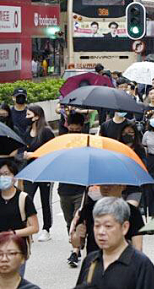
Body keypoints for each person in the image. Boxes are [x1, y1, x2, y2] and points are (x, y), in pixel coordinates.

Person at [75, 197, 154, 289]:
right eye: (97, 225)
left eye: (108, 226)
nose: (101, 232)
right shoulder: (90, 260)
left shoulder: (141, 265)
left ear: (124, 227)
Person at [71, 184, 145, 255]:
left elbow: (138, 247)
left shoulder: (131, 212)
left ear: (122, 186)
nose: (105, 187)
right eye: (102, 184)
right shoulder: (89, 209)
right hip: (95, 263)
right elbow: (76, 244)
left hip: (122, 263)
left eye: (111, 184)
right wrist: (77, 234)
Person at [58, 114, 88, 267]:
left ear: (82, 128)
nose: (74, 131)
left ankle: (74, 251)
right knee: (69, 221)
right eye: (71, 129)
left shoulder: (87, 142)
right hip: (64, 189)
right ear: (67, 126)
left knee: (76, 221)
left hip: (81, 190)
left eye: (77, 129)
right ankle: (77, 245)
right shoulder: (62, 142)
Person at [21, 105, 54, 243]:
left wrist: (34, 154)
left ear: (37, 116)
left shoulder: (46, 132)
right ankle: (28, 228)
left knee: (45, 201)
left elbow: (52, 150)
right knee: (27, 199)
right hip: (30, 171)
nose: (26, 117)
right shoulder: (27, 131)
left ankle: (46, 229)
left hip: (45, 171)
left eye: (29, 114)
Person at [0, 160, 39, 277]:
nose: (2, 177)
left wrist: (12, 234)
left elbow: (34, 227)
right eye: (0, 174)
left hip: (17, 249)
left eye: (6, 174)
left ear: (15, 177)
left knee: (14, 282)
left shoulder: (23, 198)